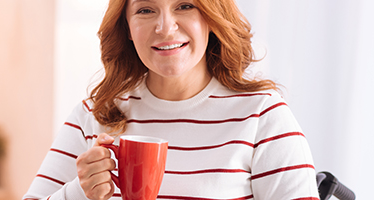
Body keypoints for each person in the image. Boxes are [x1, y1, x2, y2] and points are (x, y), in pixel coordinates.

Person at [24, 0, 319, 199]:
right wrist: (79, 193)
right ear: (126, 26)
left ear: (211, 16)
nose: (165, 27)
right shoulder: (94, 114)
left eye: (185, 5)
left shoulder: (262, 116)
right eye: (145, 10)